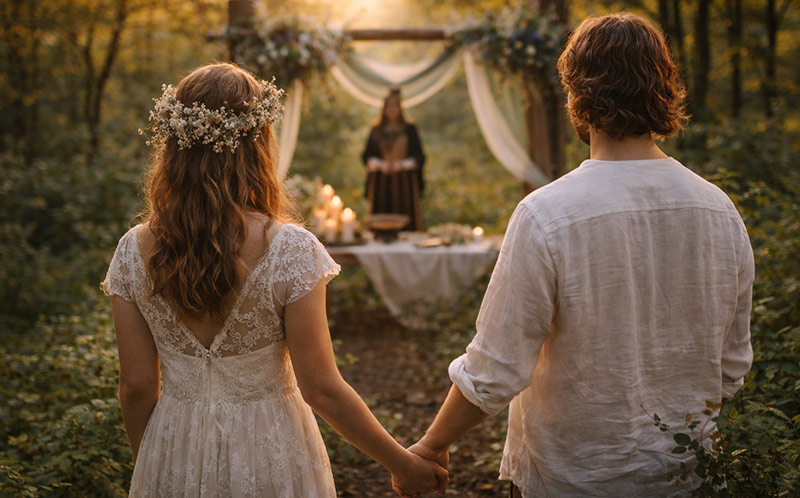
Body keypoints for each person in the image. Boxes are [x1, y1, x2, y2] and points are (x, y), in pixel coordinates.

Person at [405, 13, 754, 497]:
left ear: (578, 95)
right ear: (664, 89)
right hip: (690, 476)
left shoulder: (547, 214)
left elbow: (496, 367)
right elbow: (732, 368)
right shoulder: (720, 210)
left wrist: (429, 446)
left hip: (576, 476)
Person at [102, 63, 447, 497]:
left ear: (175, 145)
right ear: (258, 144)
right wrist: (402, 464)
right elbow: (321, 387)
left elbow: (135, 387)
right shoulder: (290, 250)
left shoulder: (133, 249)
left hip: (174, 446)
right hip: (269, 449)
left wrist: (152, 462)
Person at [361, 88, 426, 231]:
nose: (392, 110)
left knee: (406, 215)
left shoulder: (410, 129)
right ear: (384, 109)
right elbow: (366, 155)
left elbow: (419, 156)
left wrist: (402, 165)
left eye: (395, 106)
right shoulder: (376, 129)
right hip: (381, 183)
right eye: (389, 106)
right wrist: (379, 164)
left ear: (399, 108)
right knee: (381, 217)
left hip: (405, 183)